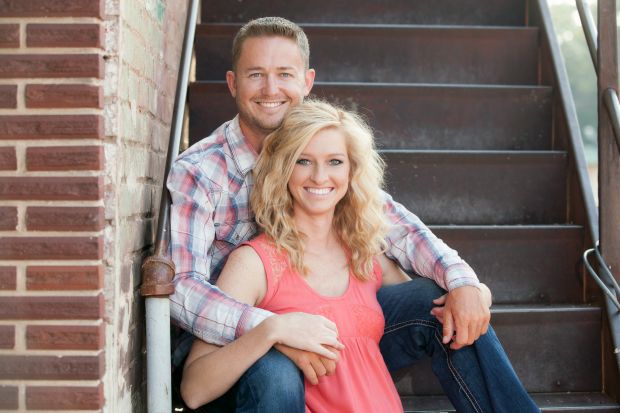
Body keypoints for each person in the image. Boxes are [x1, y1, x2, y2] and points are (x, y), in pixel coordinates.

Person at [168, 16, 540, 413]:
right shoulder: (201, 171)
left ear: (307, 82)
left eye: (285, 74)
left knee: (438, 304)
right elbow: (180, 287)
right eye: (256, 74)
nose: (271, 89)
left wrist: (465, 285)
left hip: (322, 321)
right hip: (223, 341)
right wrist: (271, 327)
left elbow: (400, 230)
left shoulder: (321, 153)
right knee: (276, 368)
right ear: (232, 83)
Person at [180, 100, 495, 412]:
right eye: (303, 161)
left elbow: (429, 309)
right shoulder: (254, 264)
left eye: (334, 161)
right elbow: (194, 390)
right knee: (273, 368)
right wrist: (270, 331)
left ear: (351, 171)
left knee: (445, 304)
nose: (320, 176)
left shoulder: (364, 253)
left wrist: (474, 291)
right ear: (283, 169)